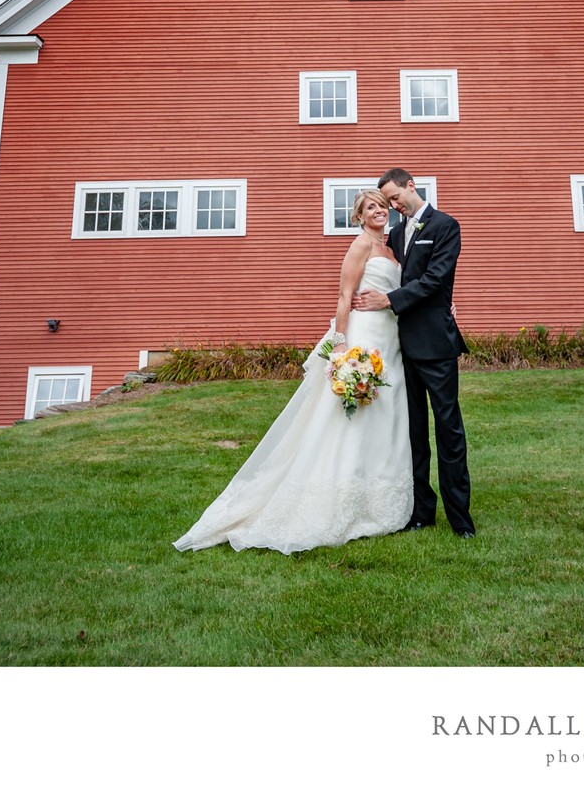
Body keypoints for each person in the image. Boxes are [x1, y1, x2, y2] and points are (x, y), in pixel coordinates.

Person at [173, 189, 413, 555]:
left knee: (386, 415)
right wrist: (342, 347)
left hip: (389, 339)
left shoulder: (393, 249)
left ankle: (378, 501)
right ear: (359, 216)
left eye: (382, 206)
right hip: (362, 336)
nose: (379, 211)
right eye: (370, 208)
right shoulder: (360, 245)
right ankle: (339, 498)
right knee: (350, 420)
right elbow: (344, 297)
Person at [353, 168, 475, 538]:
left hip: (435, 346)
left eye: (395, 197)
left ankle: (460, 518)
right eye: (387, 201)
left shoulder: (444, 226)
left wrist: (389, 300)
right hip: (400, 346)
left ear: (411, 186)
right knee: (414, 433)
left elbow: (436, 279)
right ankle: (421, 510)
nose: (393, 205)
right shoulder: (396, 235)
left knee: (448, 429)